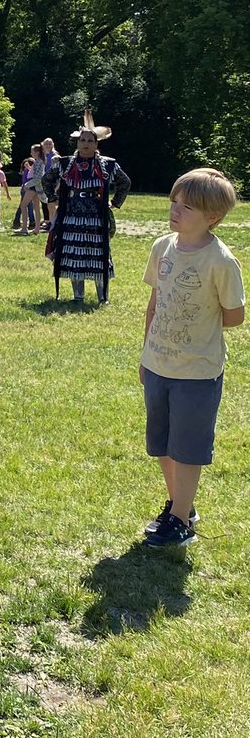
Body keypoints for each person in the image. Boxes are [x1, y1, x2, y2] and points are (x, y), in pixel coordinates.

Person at [140, 168, 244, 548]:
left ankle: (181, 521)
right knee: (163, 443)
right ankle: (181, 507)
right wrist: (145, 354)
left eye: (187, 206)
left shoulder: (220, 261)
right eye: (174, 201)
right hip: (158, 364)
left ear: (212, 217)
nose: (175, 210)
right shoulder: (162, 247)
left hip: (198, 371)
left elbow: (234, 316)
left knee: (188, 446)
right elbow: (154, 302)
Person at [42, 111, 131, 302]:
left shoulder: (107, 165)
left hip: (96, 214)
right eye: (82, 140)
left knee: (99, 252)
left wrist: (115, 203)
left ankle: (102, 296)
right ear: (77, 142)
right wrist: (53, 198)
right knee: (75, 251)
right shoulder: (65, 163)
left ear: (96, 144)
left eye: (90, 141)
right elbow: (46, 180)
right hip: (71, 213)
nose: (85, 144)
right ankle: (78, 296)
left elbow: (125, 182)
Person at [15, 144, 46, 235]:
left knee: (23, 205)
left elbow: (38, 178)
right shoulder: (39, 161)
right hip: (37, 187)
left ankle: (24, 228)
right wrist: (29, 168)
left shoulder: (38, 162)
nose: (31, 153)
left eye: (32, 151)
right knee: (36, 208)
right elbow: (34, 173)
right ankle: (36, 229)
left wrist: (27, 185)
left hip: (33, 187)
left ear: (37, 152)